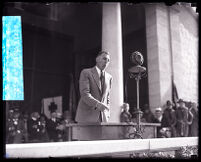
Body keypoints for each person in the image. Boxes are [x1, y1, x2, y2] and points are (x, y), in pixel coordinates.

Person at [75, 51, 112, 123]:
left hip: (102, 118)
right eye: (104, 59)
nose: (106, 62)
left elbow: (107, 97)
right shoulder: (86, 72)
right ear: (97, 59)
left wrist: (107, 113)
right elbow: (84, 94)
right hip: (86, 117)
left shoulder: (109, 77)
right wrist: (97, 104)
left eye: (108, 60)